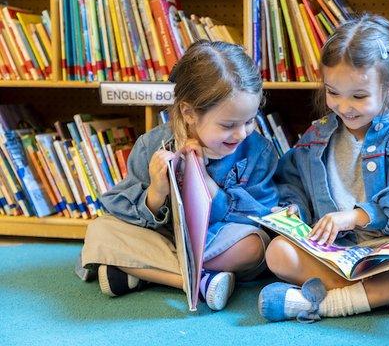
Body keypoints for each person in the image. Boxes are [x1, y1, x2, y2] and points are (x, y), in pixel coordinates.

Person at [259, 14, 389, 323]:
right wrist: (292, 208)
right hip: (337, 253)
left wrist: (358, 217)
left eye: (359, 96)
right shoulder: (316, 136)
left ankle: (331, 302)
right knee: (277, 251)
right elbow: (291, 181)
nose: (344, 107)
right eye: (333, 92)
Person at [78, 40, 279, 311]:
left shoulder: (257, 150)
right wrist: (156, 194)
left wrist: (210, 188)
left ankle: (143, 273)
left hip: (220, 242)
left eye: (250, 120)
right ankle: (196, 282)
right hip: (163, 237)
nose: (241, 133)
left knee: (255, 247)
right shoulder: (152, 146)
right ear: (188, 113)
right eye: (228, 125)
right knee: (99, 232)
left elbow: (260, 213)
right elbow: (121, 209)